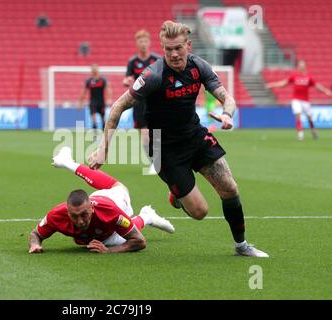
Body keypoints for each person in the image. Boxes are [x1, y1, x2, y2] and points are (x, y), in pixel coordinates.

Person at [89, 20, 269, 258]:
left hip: (195, 136)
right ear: (163, 48)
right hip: (164, 149)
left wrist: (227, 114)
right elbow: (118, 107)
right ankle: (177, 196)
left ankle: (241, 245)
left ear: (188, 45)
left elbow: (228, 98)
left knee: (230, 188)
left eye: (178, 48)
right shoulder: (153, 75)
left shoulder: (199, 67)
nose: (173, 54)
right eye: (168, 49)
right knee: (200, 212)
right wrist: (103, 149)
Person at [28, 146, 175, 254]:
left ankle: (146, 217)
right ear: (67, 212)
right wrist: (34, 245)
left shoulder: (110, 213)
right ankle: (67, 162)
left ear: (92, 208)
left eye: (84, 215)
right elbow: (36, 234)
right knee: (113, 186)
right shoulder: (57, 215)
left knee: (114, 238)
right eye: (74, 216)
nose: (80, 221)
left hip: (117, 201)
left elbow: (139, 241)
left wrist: (109, 251)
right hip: (97, 196)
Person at [123, 30, 161, 175]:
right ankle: (153, 162)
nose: (143, 44)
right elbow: (127, 79)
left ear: (149, 42)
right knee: (145, 137)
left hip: (155, 103)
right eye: (140, 41)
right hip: (139, 104)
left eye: (145, 41)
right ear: (137, 44)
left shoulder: (157, 60)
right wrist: (127, 81)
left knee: (156, 133)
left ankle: (158, 162)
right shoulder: (133, 62)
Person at [266, 60, 332, 141]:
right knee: (298, 115)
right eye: (299, 65)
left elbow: (317, 86)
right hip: (296, 100)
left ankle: (313, 131)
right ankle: (300, 134)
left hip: (305, 101)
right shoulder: (294, 76)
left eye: (302, 65)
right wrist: (272, 85)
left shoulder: (309, 77)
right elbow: (283, 83)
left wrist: (326, 91)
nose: (300, 67)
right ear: (298, 67)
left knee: (309, 118)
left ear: (305, 67)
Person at [78, 64, 112, 130]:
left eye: (95, 70)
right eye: (93, 70)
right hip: (92, 103)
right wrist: (80, 103)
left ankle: (104, 136)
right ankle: (95, 136)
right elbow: (83, 92)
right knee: (94, 120)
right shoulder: (89, 81)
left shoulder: (102, 80)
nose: (93, 72)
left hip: (101, 102)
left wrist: (109, 99)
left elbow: (108, 90)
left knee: (103, 120)